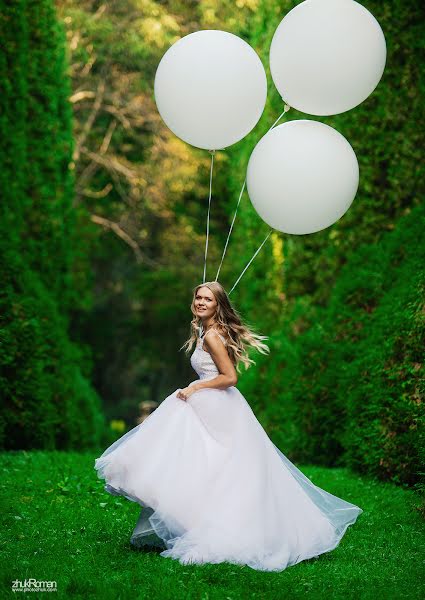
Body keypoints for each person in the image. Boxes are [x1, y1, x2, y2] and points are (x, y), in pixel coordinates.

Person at [94, 281, 363, 571]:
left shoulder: (212, 335)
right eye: (198, 297)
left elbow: (230, 377)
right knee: (206, 464)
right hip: (212, 401)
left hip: (216, 404)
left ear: (217, 305)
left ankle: (216, 526)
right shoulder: (204, 331)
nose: (200, 302)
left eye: (207, 299)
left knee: (215, 465)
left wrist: (196, 389)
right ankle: (195, 520)